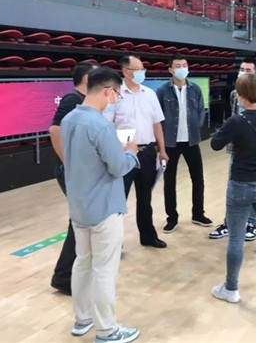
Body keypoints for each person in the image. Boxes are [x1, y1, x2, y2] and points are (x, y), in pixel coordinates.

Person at [61, 66, 140, 343]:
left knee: (82, 263)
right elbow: (118, 167)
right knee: (105, 269)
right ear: (108, 91)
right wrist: (131, 153)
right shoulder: (101, 125)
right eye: (117, 94)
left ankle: (82, 318)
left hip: (79, 205)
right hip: (104, 207)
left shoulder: (69, 119)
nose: (116, 99)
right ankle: (107, 329)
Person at [209, 73, 256, 303]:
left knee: (236, 239)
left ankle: (231, 289)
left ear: (240, 96)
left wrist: (224, 131)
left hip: (240, 184)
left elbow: (215, 144)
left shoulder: (236, 121)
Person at [105, 55, 168, 249]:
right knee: (119, 199)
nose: (142, 72)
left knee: (145, 197)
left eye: (143, 69)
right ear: (125, 71)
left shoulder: (149, 94)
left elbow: (157, 124)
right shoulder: (115, 95)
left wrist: (162, 150)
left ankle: (148, 236)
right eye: (137, 69)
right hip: (123, 154)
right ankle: (115, 243)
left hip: (147, 152)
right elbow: (107, 125)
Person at [209, 58, 256, 241]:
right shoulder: (233, 94)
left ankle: (251, 224)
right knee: (233, 186)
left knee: (255, 187)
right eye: (241, 69)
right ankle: (230, 223)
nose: (243, 72)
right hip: (237, 149)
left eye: (248, 70)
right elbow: (233, 116)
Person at [49, 60, 98, 295]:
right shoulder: (72, 100)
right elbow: (54, 129)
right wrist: (68, 163)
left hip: (84, 171)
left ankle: (71, 273)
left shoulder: (86, 101)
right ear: (87, 79)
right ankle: (64, 276)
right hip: (73, 172)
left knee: (81, 221)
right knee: (79, 221)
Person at [156, 54, 212, 233]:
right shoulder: (162, 91)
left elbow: (201, 111)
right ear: (170, 70)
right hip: (170, 143)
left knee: (198, 179)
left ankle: (198, 214)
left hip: (192, 141)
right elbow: (157, 118)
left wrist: (196, 126)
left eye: (184, 65)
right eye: (178, 65)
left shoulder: (195, 89)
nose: (182, 68)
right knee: (169, 181)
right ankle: (172, 218)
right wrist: (160, 145)